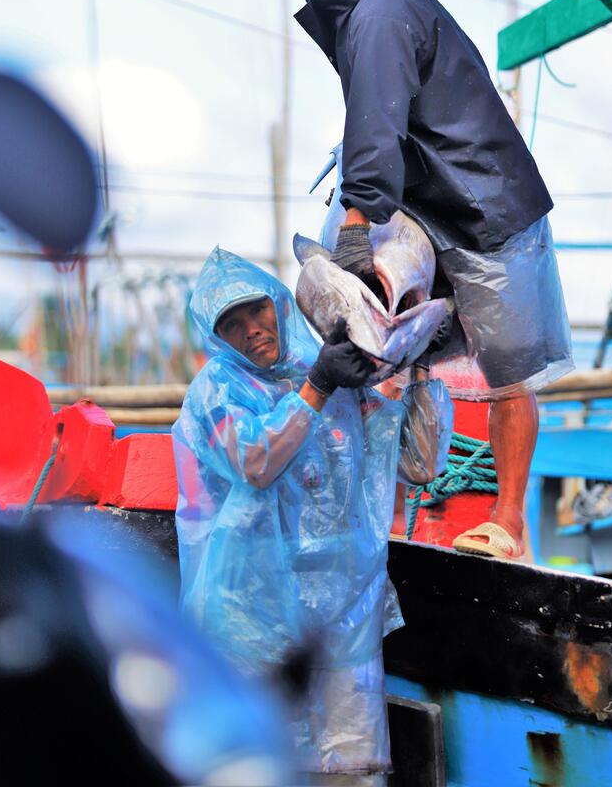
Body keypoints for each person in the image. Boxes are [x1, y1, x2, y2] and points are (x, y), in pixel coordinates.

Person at [278, 0, 573, 561]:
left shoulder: (378, 15)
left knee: (508, 377)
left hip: (487, 207)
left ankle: (508, 522)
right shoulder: (377, 3)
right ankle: (392, 502)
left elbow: (373, 131)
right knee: (400, 354)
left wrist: (355, 226)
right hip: (436, 205)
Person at [172, 248, 451, 784]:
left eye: (256, 311)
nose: (252, 329)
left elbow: (418, 462)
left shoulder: (327, 373)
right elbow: (254, 460)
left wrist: (418, 364)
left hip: (342, 617)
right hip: (248, 625)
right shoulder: (216, 391)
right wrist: (318, 387)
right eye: (232, 324)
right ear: (216, 338)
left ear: (278, 305)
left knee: (355, 768)